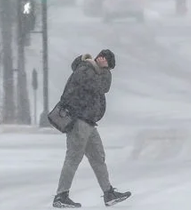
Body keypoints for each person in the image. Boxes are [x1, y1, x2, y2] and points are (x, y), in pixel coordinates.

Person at [52, 49, 131, 208]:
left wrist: (103, 70)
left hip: (88, 122)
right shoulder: (85, 70)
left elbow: (100, 88)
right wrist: (104, 71)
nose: (107, 70)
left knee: (98, 157)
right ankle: (61, 196)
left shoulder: (92, 71)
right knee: (73, 158)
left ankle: (108, 193)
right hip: (79, 121)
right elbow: (102, 87)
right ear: (102, 59)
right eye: (108, 66)